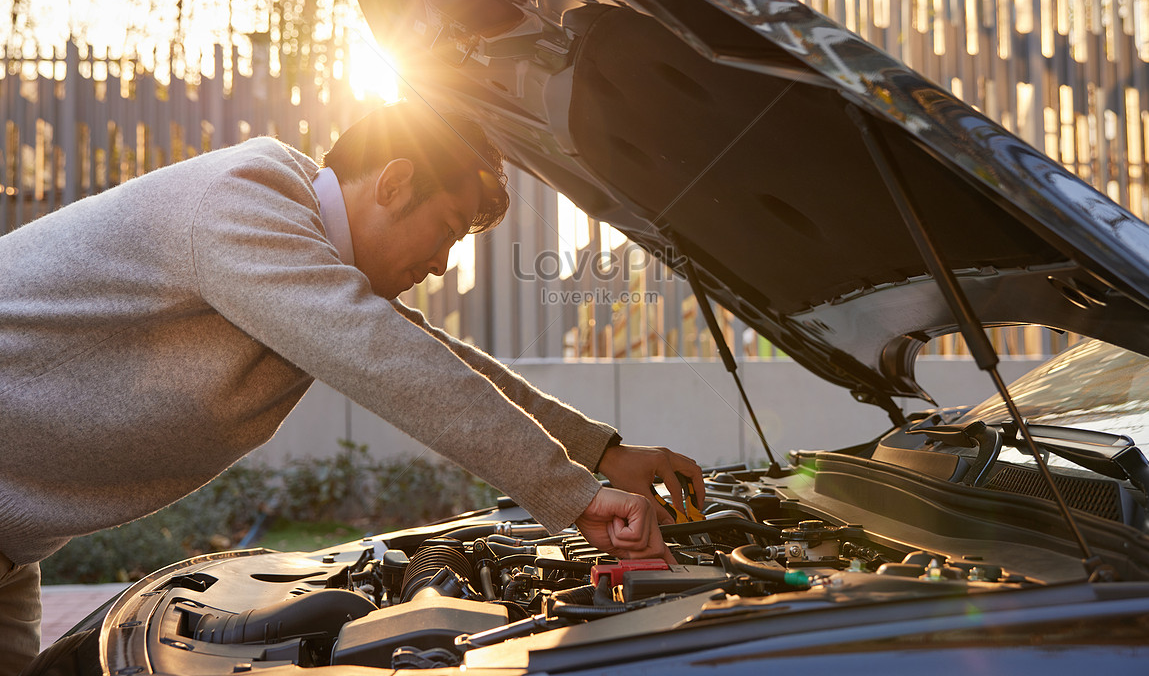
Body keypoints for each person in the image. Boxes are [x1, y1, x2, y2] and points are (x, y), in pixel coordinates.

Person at [0, 101, 703, 671]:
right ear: (395, 183)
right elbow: (389, 361)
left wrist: (603, 455)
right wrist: (575, 497)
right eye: (447, 231)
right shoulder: (241, 201)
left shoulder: (297, 240)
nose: (440, 261)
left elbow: (426, 352)